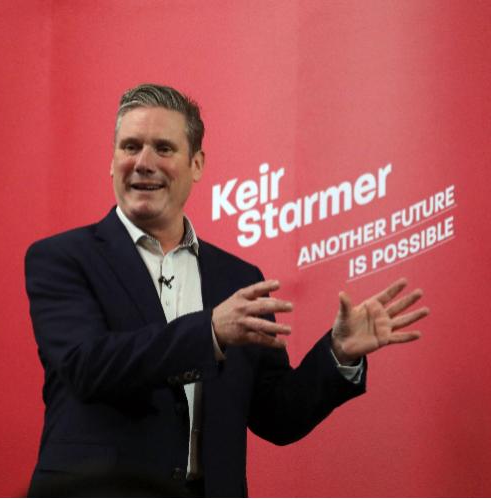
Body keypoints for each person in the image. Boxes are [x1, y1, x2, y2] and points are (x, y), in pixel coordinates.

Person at [24, 83, 429, 497]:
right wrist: (210, 333)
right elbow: (89, 366)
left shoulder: (236, 278)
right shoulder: (62, 259)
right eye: (130, 146)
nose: (143, 162)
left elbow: (277, 415)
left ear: (196, 164)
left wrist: (338, 354)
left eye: (163, 148)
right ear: (112, 162)